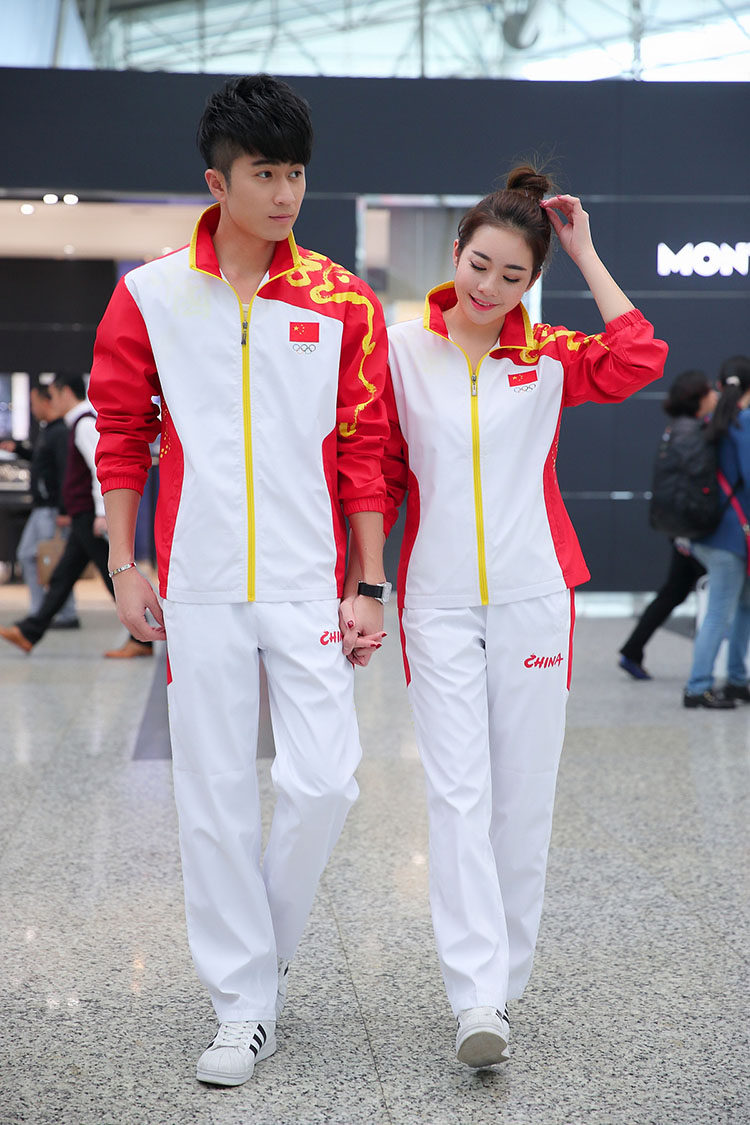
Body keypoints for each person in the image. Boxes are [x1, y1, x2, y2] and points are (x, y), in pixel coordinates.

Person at [87, 74, 389, 1087]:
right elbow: (122, 435)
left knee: (326, 778)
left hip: (308, 581)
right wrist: (125, 562)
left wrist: (369, 584)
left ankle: (262, 954)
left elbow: (364, 452)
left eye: (296, 171)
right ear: (217, 182)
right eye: (265, 173)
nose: (286, 193)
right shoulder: (151, 294)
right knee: (213, 793)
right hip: (201, 582)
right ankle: (241, 1006)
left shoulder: (342, 300)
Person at [383, 165, 668, 1067]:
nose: (489, 287)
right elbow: (377, 472)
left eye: (513, 275)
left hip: (536, 599)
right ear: (455, 252)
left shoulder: (547, 354)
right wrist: (361, 581)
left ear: (532, 281)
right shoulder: (399, 350)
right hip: (435, 603)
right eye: (480, 265)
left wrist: (583, 253)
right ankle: (475, 994)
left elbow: (639, 357)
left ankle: (502, 987)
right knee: (457, 793)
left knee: (522, 797)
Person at [0, 373, 152, 659]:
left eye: (54, 395)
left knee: (112, 575)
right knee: (65, 575)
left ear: (66, 393)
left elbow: (101, 470)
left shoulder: (84, 425)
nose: (51, 401)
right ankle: (30, 631)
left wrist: (101, 513)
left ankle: (141, 639)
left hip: (88, 516)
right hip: (83, 515)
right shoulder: (78, 424)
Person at [618, 369, 715, 680]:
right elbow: (698, 481)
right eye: (709, 390)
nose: (714, 395)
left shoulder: (678, 429)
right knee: (718, 595)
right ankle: (707, 674)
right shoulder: (692, 433)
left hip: (680, 528)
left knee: (675, 591)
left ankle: (632, 650)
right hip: (689, 530)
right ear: (698, 398)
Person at [683, 355, 750, 709]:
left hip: (709, 531)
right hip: (733, 536)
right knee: (722, 611)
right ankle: (697, 687)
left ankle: (737, 680)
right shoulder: (744, 422)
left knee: (743, 606)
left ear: (720, 385)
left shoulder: (710, 421)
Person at [1, 382, 79, 626]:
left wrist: (64, 509)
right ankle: (41, 611)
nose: (33, 409)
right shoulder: (51, 431)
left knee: (55, 560)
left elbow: (66, 471)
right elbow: (42, 462)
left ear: (47, 401)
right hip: (43, 508)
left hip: (52, 509)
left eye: (34, 404)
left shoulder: (61, 431)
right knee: (29, 555)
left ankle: (64, 613)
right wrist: (20, 450)